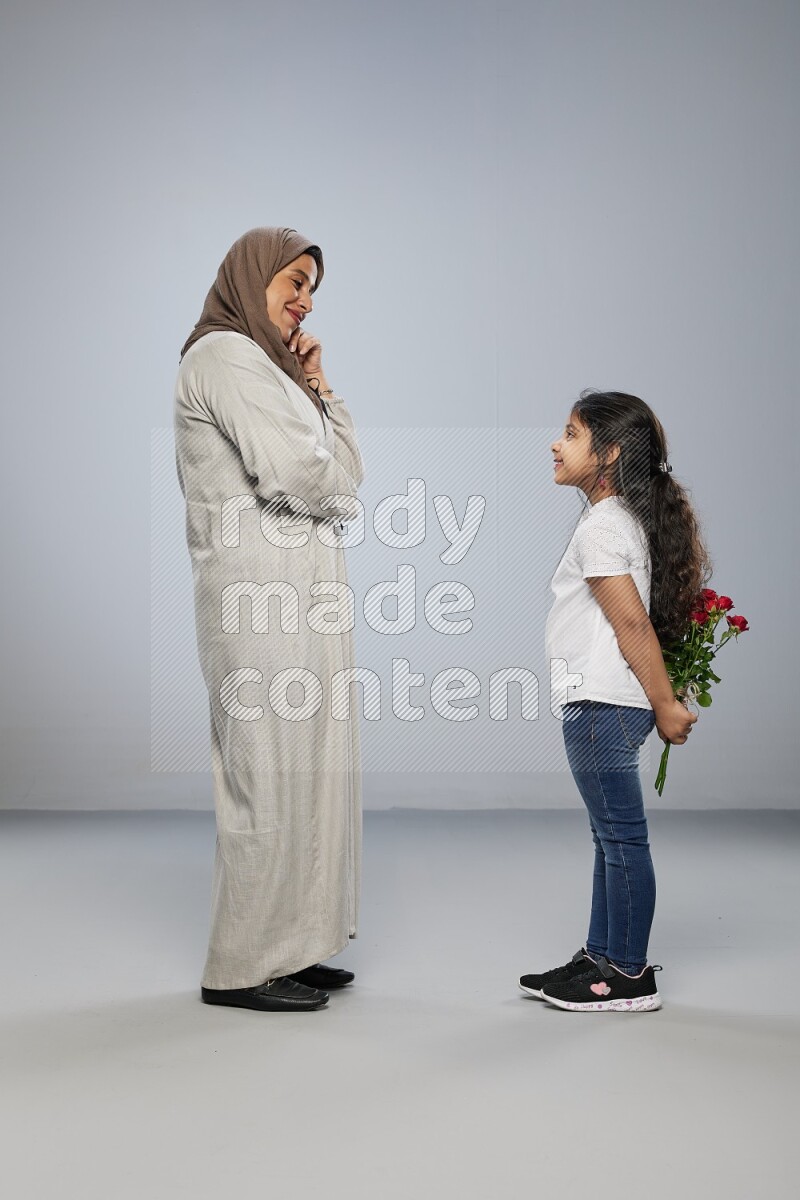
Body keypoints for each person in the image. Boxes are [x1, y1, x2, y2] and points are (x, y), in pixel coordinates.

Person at [174, 227, 365, 1012]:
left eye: (312, 286)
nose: (304, 298)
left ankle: (295, 944)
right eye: (293, 278)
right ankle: (240, 967)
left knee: (313, 772)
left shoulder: (279, 375)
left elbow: (346, 479)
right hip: (256, 599)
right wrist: (321, 472)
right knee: (265, 773)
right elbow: (292, 473)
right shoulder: (222, 356)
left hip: (305, 597)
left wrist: (321, 389)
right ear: (252, 275)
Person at [519, 391, 709, 1012]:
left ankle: (627, 975)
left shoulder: (605, 526)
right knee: (609, 838)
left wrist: (666, 705)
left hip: (602, 702)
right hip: (606, 701)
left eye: (571, 434)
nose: (556, 443)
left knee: (622, 840)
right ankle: (600, 958)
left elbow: (632, 626)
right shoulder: (618, 518)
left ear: (609, 454)